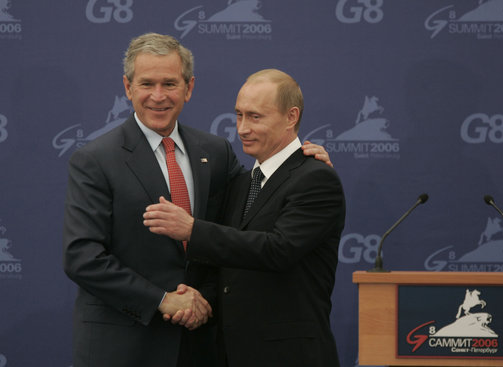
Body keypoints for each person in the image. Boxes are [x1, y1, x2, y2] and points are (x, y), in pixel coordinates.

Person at [63, 33, 332, 367]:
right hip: (125, 344)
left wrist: (299, 162)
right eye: (147, 83)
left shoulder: (215, 153)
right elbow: (82, 257)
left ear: (189, 88)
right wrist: (160, 300)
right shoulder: (95, 159)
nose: (158, 96)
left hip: (200, 345)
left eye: (170, 84)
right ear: (128, 87)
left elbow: (255, 208)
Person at [144, 68, 346, 367]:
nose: (241, 128)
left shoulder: (315, 178)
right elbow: (231, 267)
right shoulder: (242, 183)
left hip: (290, 356)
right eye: (238, 115)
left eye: (255, 117)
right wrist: (198, 299)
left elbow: (279, 250)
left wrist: (192, 230)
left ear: (291, 117)